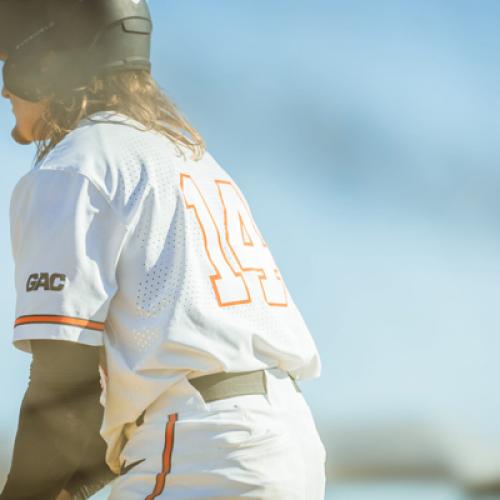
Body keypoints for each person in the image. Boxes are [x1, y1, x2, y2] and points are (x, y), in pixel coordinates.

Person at [0, 1, 326, 499]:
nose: (5, 86)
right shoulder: (186, 156)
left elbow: (63, 387)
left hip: (202, 451)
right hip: (286, 444)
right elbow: (153, 372)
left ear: (48, 62)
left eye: (10, 62)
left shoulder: (74, 168)